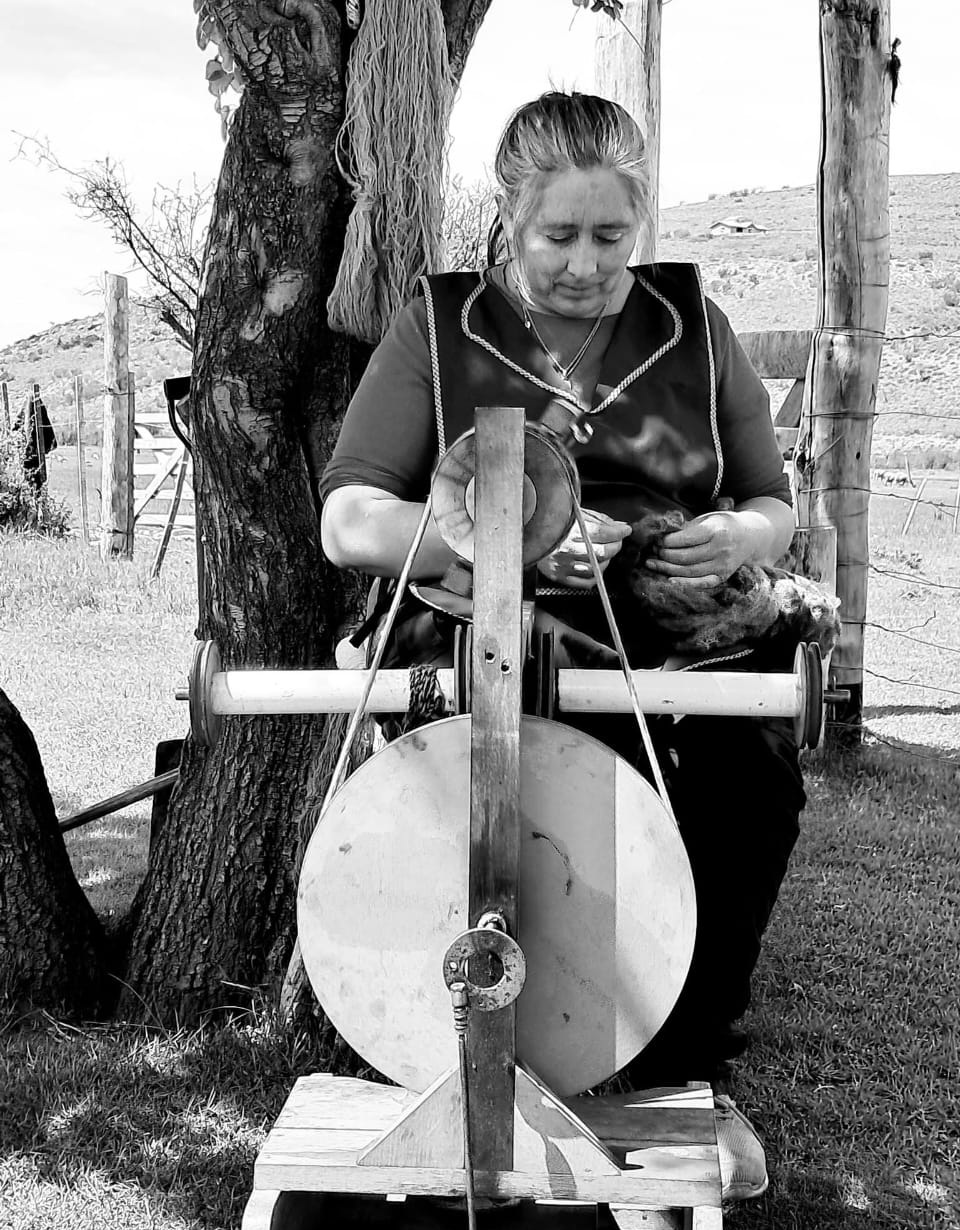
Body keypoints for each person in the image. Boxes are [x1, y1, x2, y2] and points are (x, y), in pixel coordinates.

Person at [320, 92, 804, 1111]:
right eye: (558, 236)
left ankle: (682, 1069)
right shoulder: (441, 327)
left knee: (747, 786)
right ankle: (457, 1042)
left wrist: (740, 538)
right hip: (478, 616)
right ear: (509, 215)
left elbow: (772, 502)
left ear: (643, 220)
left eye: (612, 237)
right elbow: (350, 520)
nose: (586, 264)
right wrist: (509, 535)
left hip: (673, 625)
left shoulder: (694, 329)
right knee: (490, 790)